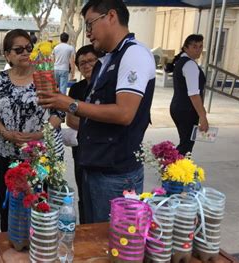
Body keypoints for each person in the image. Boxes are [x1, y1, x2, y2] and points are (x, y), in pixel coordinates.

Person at [38, 0, 156, 223]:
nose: (89, 33)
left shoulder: (134, 55)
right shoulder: (107, 59)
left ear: (111, 16)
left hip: (115, 173)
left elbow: (124, 113)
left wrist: (71, 104)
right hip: (95, 166)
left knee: (111, 243)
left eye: (90, 24)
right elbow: (94, 110)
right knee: (93, 237)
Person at [0, 29, 65, 232]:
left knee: (38, 200)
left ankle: (36, 242)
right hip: (6, 154)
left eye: (29, 48)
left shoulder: (44, 79)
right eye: (18, 49)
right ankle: (9, 242)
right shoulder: (0, 80)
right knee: (9, 199)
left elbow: (58, 114)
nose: (25, 53)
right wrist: (5, 133)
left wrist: (38, 135)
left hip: (39, 156)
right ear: (7, 55)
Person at [66, 45, 103, 224]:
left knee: (101, 193)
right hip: (81, 148)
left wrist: (87, 123)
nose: (87, 65)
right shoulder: (76, 89)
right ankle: (84, 228)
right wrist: (98, 123)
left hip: (104, 149)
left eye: (91, 60)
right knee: (83, 190)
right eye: (82, 63)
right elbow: (71, 121)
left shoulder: (107, 86)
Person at [167, 34, 209, 155]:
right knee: (186, 146)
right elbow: (194, 94)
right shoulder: (190, 65)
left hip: (179, 107)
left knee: (185, 143)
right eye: (194, 46)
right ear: (186, 48)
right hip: (187, 110)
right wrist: (202, 116)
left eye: (201, 46)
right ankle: (173, 171)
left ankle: (177, 171)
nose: (198, 50)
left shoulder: (182, 62)